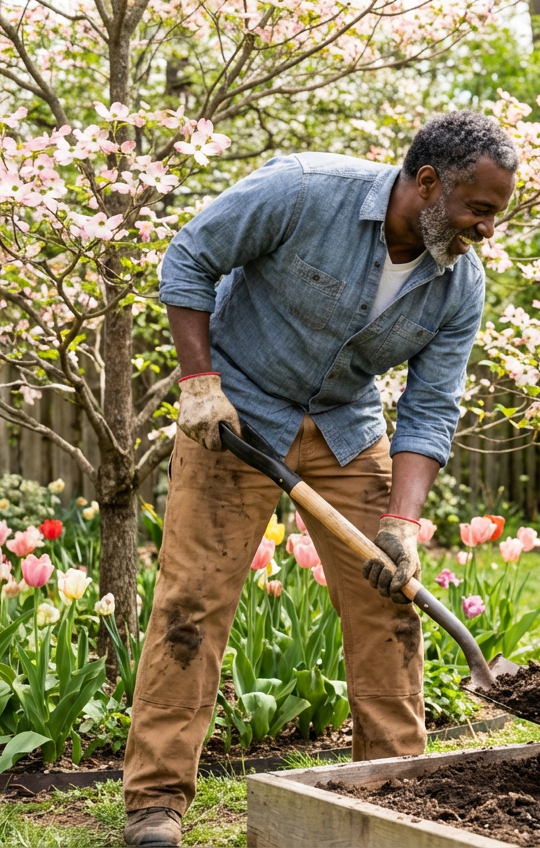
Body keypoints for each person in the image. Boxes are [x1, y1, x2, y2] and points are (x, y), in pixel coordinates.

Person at [121, 112, 517, 847]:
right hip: (234, 415)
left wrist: (399, 523)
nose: (487, 228)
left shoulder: (460, 283)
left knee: (389, 605)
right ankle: (155, 803)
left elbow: (431, 407)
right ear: (427, 183)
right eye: (480, 209)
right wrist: (199, 380)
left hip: (344, 425)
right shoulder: (304, 191)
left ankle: (394, 787)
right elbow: (189, 257)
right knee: (193, 604)